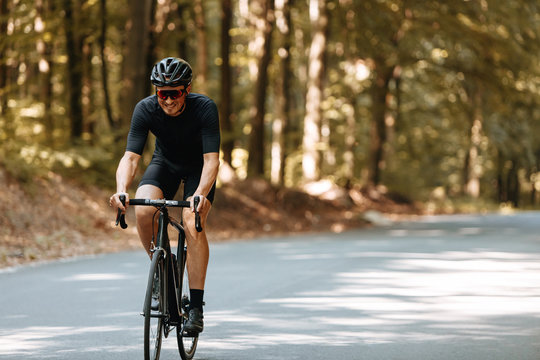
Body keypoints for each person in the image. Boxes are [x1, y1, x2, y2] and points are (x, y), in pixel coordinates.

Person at [109, 57, 220, 334]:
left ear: (187, 90)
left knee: (191, 218)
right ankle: (163, 269)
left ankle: (195, 308)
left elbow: (212, 160)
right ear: (155, 91)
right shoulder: (145, 109)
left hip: (198, 168)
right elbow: (131, 157)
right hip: (165, 164)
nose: (168, 100)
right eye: (162, 93)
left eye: (175, 93)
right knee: (144, 210)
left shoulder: (204, 108)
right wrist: (122, 190)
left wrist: (201, 194)